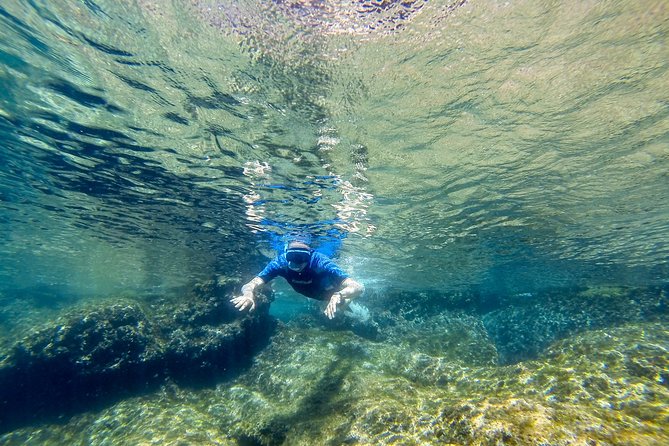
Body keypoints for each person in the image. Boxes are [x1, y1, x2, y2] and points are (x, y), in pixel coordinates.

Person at [231, 241, 364, 319]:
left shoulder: (320, 261)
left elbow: (358, 287)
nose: (296, 263)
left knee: (340, 309)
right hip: (315, 293)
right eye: (292, 257)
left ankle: (346, 302)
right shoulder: (280, 263)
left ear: (310, 256)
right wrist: (248, 295)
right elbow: (251, 284)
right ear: (286, 254)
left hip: (332, 294)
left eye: (301, 258)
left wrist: (339, 295)